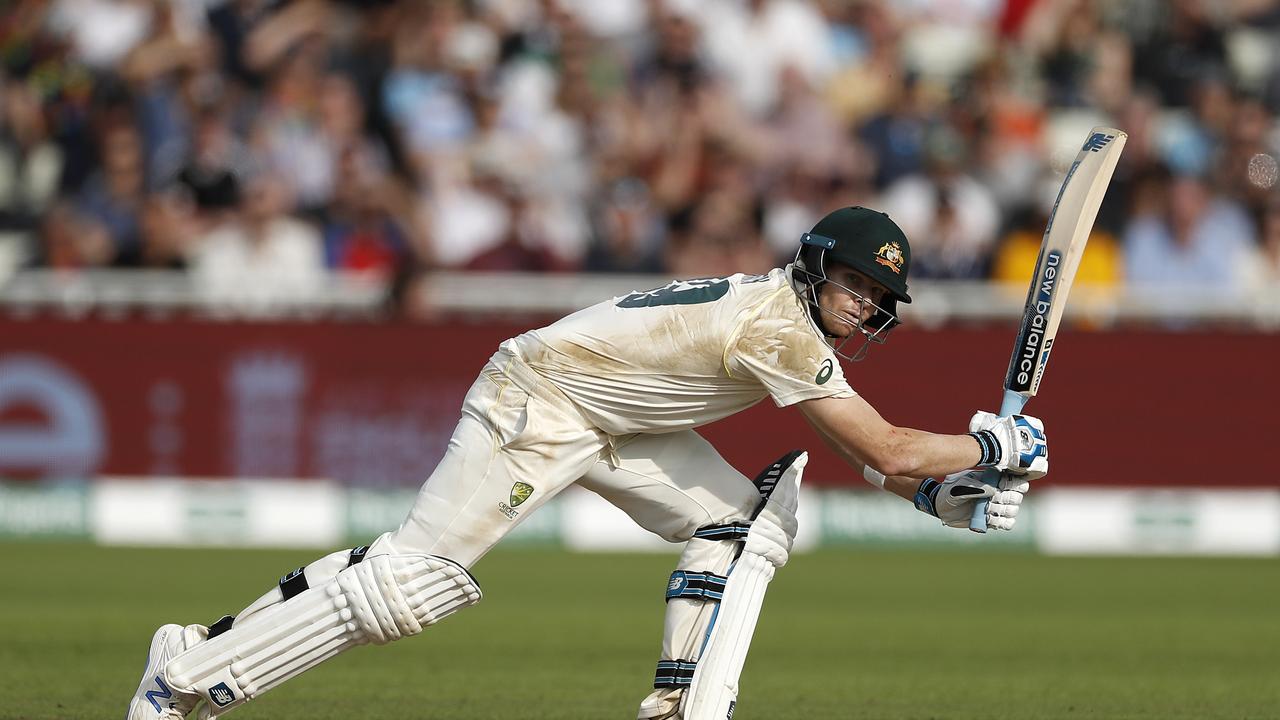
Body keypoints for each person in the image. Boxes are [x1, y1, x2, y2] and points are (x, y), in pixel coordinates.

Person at [126, 206, 1048, 720]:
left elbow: (881, 463)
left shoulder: (794, 325)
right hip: (543, 395)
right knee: (413, 586)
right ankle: (186, 675)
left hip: (620, 420)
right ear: (814, 271)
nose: (862, 305)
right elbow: (881, 445)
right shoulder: (778, 323)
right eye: (853, 283)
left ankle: (685, 711)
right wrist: (991, 446)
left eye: (878, 296)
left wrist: (946, 496)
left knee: (751, 522)